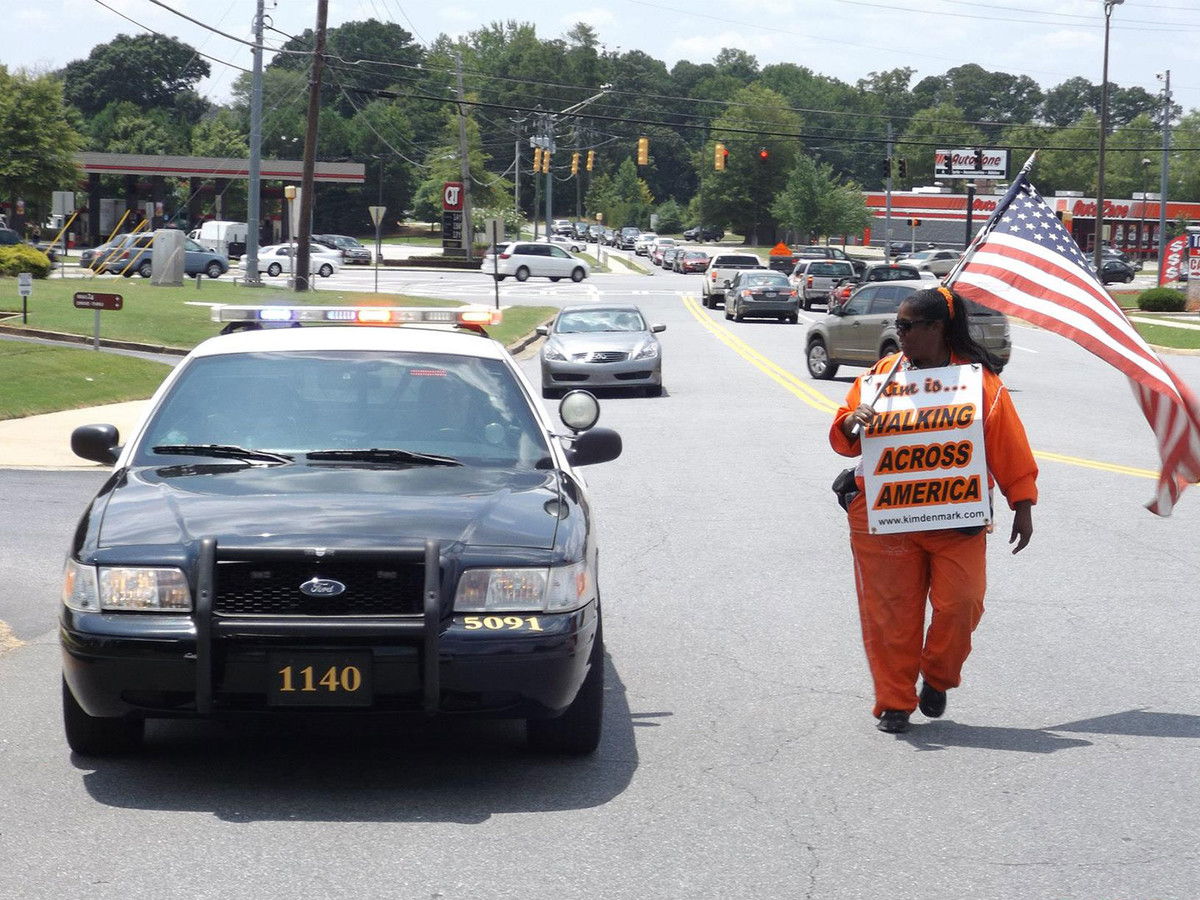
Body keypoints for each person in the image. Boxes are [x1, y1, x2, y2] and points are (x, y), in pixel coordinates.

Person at [829, 285, 1037, 734]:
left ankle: (938, 676)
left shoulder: (978, 383)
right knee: (890, 614)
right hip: (884, 518)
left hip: (955, 521)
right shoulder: (884, 374)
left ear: (937, 329)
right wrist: (850, 420)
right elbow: (845, 440)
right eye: (896, 325)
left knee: (962, 604)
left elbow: (1006, 443)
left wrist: (1022, 501)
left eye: (907, 326)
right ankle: (895, 702)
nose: (897, 333)